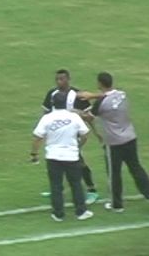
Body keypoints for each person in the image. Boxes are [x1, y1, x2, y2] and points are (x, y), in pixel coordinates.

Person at [79, 72, 149, 212]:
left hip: (114, 143)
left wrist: (74, 113)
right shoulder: (122, 94)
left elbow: (89, 117)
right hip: (130, 137)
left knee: (114, 173)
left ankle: (116, 204)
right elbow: (108, 96)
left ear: (100, 83)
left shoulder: (100, 104)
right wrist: (92, 95)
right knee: (136, 168)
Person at [31, 91, 94, 222]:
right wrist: (78, 145)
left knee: (56, 186)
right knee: (76, 184)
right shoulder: (74, 117)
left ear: (53, 103)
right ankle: (81, 212)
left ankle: (58, 214)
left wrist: (34, 154)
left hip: (53, 157)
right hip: (71, 156)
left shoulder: (47, 118)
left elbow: (37, 137)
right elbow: (85, 133)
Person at [41, 69, 99, 204]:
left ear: (68, 79)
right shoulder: (52, 94)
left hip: (73, 134)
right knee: (56, 162)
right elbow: (46, 112)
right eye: (57, 79)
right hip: (56, 134)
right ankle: (58, 190)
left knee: (79, 160)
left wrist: (95, 131)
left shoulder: (77, 95)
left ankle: (91, 190)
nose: (59, 82)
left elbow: (89, 117)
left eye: (62, 79)